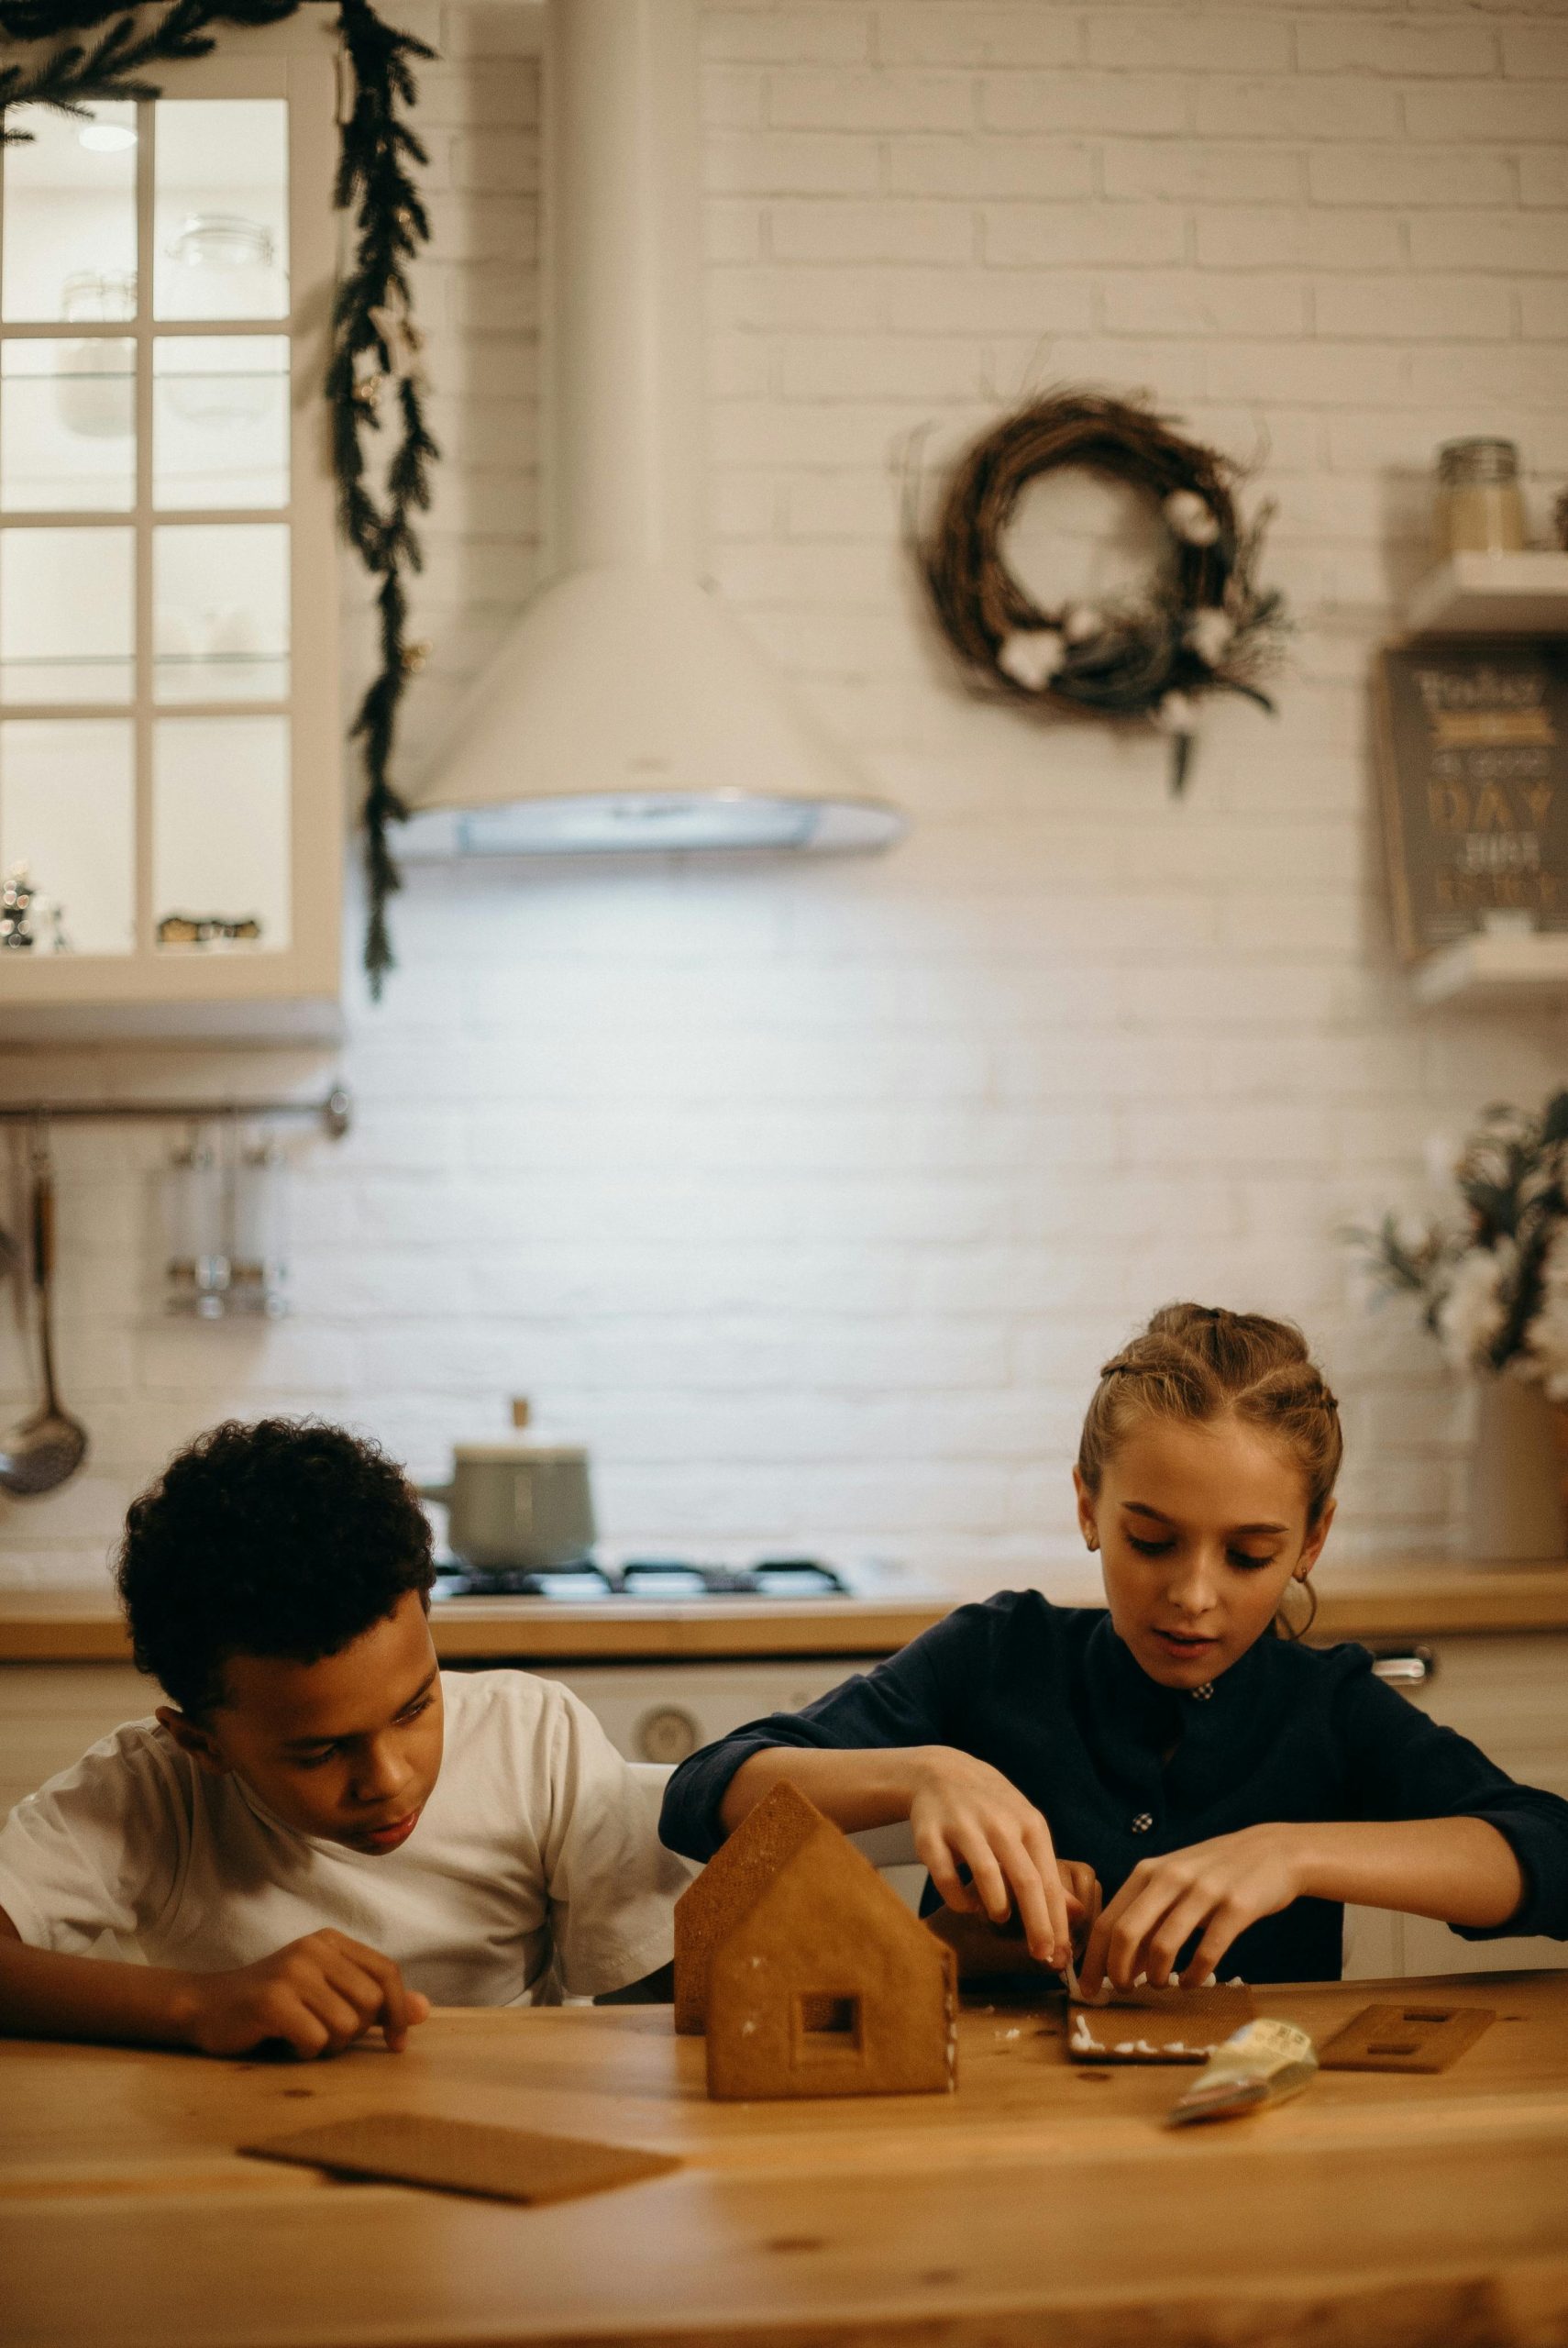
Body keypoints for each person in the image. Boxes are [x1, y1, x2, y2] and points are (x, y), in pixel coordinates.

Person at [660, 1304, 1568, 1993]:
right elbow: (703, 1792)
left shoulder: (1325, 1706)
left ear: (1312, 1542)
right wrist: (922, 1773)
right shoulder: (995, 1655)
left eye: (1250, 1555)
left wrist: (1293, 1854)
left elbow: (1553, 1852)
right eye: (1152, 1540)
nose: (1193, 1594)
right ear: (1089, 1505)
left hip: (1253, 2166)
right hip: (987, 2146)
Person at [0, 1420, 685, 2058]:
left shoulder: (535, 1739)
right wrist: (197, 2004)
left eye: (415, 1708)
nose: (386, 1780)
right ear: (203, 1746)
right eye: (321, 1751)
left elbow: (648, 2002)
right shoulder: (151, 1796)